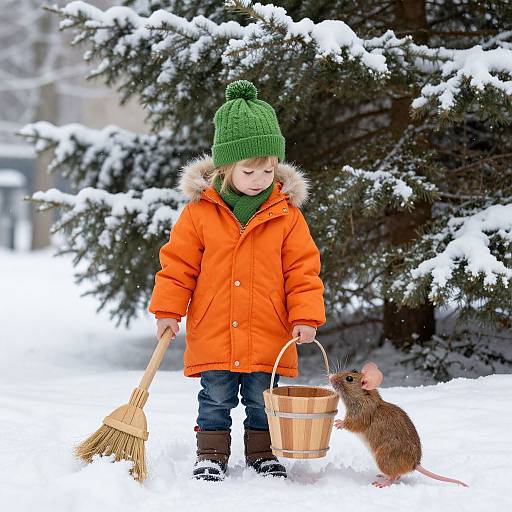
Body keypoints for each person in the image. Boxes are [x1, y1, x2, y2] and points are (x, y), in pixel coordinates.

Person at [148, 79, 325, 482]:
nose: (261, 178)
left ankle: (263, 454)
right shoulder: (199, 213)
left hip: (269, 329)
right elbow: (178, 267)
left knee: (265, 399)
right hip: (215, 327)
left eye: (268, 169)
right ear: (225, 166)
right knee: (215, 397)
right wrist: (167, 310)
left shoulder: (286, 215)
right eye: (249, 170)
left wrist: (306, 316)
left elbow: (303, 270)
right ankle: (211, 454)